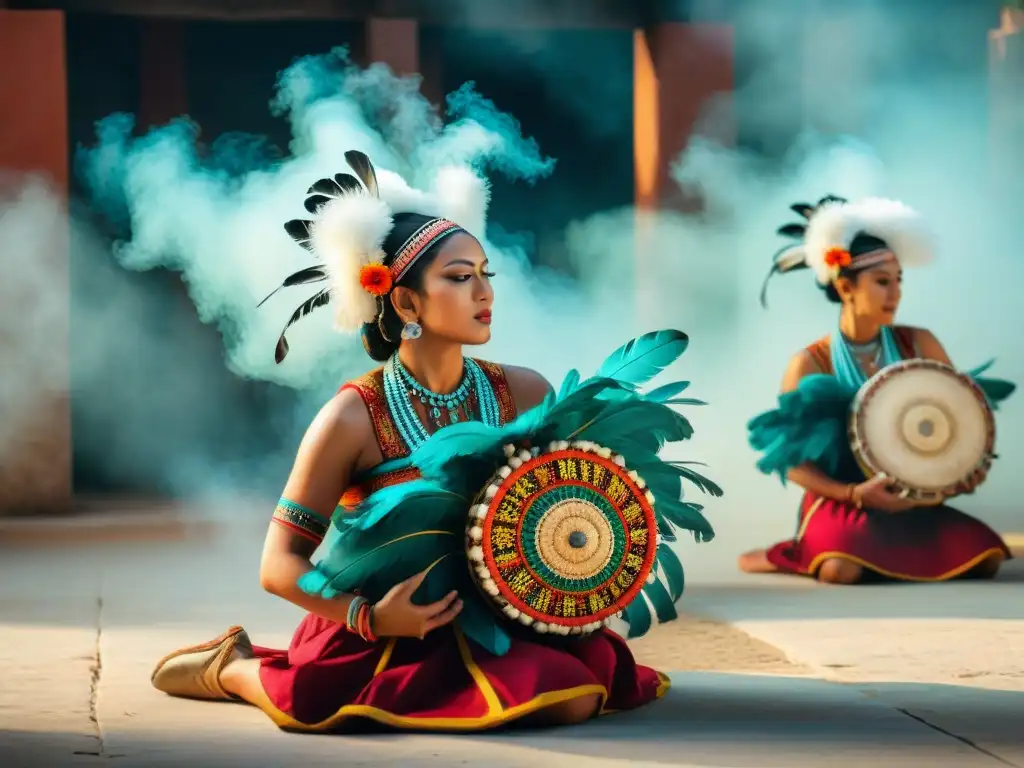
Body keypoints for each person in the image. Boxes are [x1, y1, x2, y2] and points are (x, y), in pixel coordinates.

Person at [149, 151, 667, 732]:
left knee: (570, 693)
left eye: (485, 273)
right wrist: (370, 617)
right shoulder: (351, 417)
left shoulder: (524, 392)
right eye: (459, 276)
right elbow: (278, 564)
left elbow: (567, 498)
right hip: (382, 630)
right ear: (404, 301)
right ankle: (235, 669)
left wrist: (579, 573)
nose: (483, 292)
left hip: (500, 623)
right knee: (313, 701)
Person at [740, 195, 1013, 585]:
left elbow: (960, 420)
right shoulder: (811, 362)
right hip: (841, 499)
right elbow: (792, 463)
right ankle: (806, 549)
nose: (895, 293)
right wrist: (854, 494)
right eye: (882, 282)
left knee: (986, 557)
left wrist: (962, 468)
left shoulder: (919, 344)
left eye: (899, 281)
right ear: (846, 287)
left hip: (909, 501)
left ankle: (894, 552)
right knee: (841, 569)